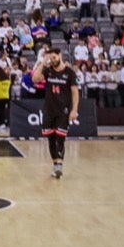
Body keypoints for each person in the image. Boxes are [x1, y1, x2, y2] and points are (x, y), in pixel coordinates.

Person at [32, 44, 81, 179]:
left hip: (63, 110)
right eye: (50, 57)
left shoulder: (69, 73)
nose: (52, 60)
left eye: (54, 57)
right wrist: (43, 62)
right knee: (51, 139)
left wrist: (74, 109)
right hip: (49, 109)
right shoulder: (48, 71)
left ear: (60, 56)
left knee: (60, 137)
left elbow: (75, 93)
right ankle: (55, 164)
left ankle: (59, 164)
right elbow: (35, 79)